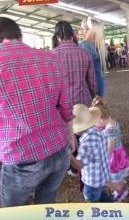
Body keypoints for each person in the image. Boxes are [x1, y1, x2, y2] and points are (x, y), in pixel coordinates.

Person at [0, 17, 75, 207]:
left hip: (21, 157)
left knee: (12, 214)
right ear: (20, 36)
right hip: (59, 149)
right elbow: (66, 106)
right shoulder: (50, 57)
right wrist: (71, 136)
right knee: (46, 205)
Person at [91, 97, 129, 202]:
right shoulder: (111, 121)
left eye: (96, 121)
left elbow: (110, 147)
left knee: (111, 176)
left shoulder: (110, 130)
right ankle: (120, 185)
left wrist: (105, 160)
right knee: (119, 175)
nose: (96, 124)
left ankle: (120, 193)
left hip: (113, 156)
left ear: (100, 118)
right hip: (119, 152)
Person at [52, 21, 97, 107]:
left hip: (62, 105)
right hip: (83, 101)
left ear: (57, 36)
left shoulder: (51, 55)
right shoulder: (85, 53)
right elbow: (92, 82)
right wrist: (94, 96)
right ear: (72, 35)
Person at [80, 18, 107, 97]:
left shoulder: (82, 45)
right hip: (99, 82)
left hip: (87, 85)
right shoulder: (100, 46)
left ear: (89, 30)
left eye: (83, 29)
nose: (82, 31)